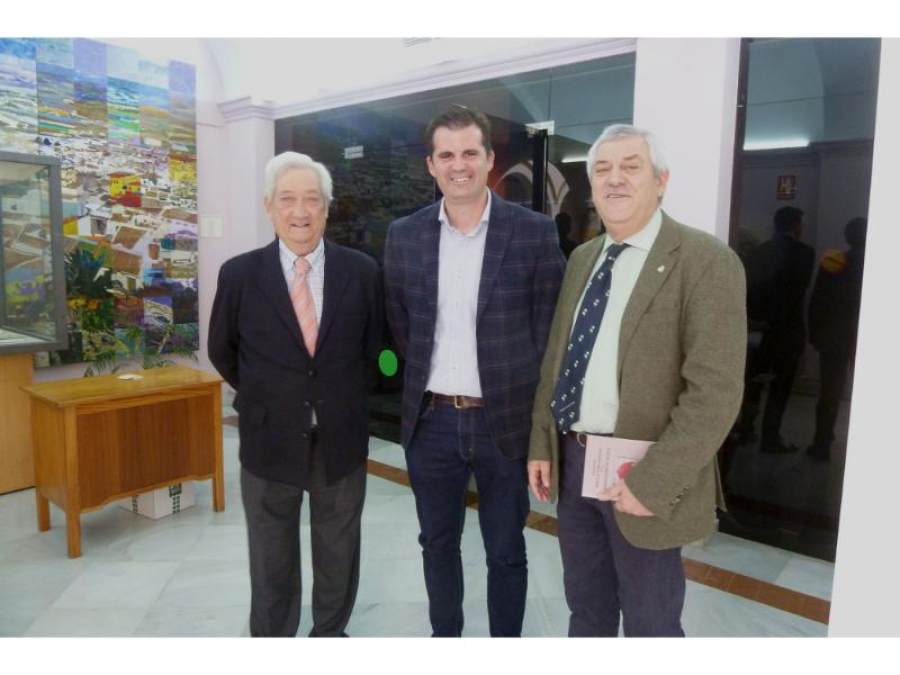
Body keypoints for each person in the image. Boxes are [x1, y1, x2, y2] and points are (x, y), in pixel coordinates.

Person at [527, 124, 746, 636]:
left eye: (631, 167)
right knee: (587, 611)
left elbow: (714, 395)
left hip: (642, 472)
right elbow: (558, 360)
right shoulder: (583, 258)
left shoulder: (706, 261)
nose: (615, 179)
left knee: (652, 625)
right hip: (576, 462)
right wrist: (542, 442)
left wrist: (652, 484)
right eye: (602, 169)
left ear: (661, 181)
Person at [384, 105, 565, 637]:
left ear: (488, 159)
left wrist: (542, 433)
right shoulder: (404, 235)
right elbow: (401, 325)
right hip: (431, 423)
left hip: (503, 424)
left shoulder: (534, 233)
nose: (458, 165)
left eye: (469, 153)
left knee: (505, 549)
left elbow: (550, 339)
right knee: (436, 544)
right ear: (431, 164)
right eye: (446, 155)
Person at [208, 151, 383, 637]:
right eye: (287, 199)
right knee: (270, 557)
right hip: (268, 441)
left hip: (340, 442)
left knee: (339, 552)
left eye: (312, 199)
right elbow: (223, 350)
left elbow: (378, 351)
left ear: (327, 208)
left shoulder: (362, 271)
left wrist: (344, 398)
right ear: (269, 207)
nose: (300, 211)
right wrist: (269, 397)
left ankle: (330, 635)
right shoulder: (240, 275)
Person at [739, 206, 815, 453]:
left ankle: (746, 429)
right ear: (797, 225)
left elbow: (750, 289)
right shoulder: (805, 253)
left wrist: (757, 320)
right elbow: (796, 293)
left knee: (754, 381)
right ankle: (770, 438)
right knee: (780, 387)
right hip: (787, 330)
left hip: (758, 328)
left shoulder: (758, 252)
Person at [806, 217, 867, 459]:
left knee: (829, 392)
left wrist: (815, 333)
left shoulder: (834, 261)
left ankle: (822, 443)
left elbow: (818, 300)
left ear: (847, 237)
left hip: (835, 336)